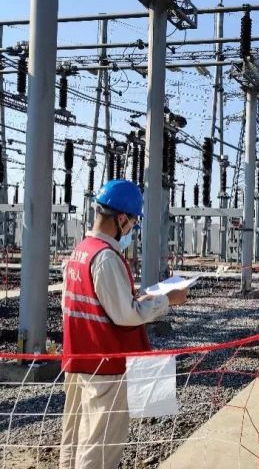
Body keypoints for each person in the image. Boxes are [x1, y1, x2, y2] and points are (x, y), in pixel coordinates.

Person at [59, 179, 187, 469]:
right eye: (133, 222)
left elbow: (84, 304)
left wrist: (136, 299)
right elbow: (125, 315)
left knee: (75, 434)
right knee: (100, 445)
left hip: (79, 358)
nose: (132, 229)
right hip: (105, 365)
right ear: (121, 219)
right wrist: (168, 299)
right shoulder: (105, 258)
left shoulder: (81, 251)